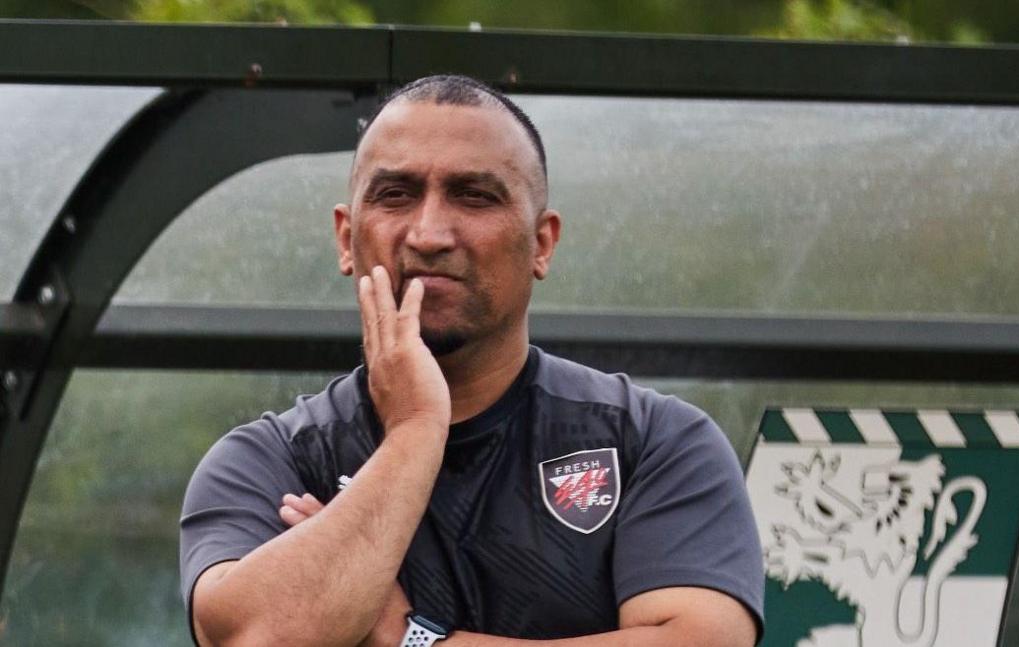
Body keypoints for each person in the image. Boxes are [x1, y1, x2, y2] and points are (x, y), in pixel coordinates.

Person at [180, 75, 764, 646]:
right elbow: (256, 637)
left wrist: (410, 637)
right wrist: (414, 431)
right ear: (345, 238)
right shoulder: (269, 462)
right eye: (396, 194)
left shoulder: (653, 443)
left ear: (541, 243)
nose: (430, 234)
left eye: (474, 196)